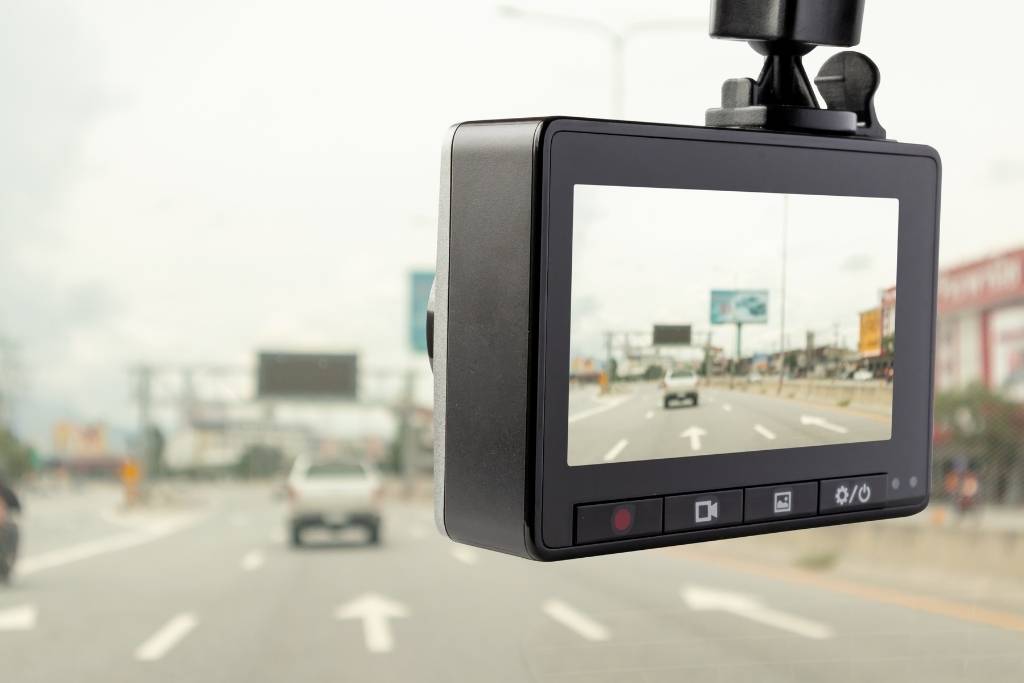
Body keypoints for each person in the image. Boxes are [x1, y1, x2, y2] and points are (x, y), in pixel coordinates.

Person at [0, 474, 21, 584]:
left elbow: (17, 507)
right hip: (6, 525)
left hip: (6, 526)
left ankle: (8, 562)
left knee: (13, 532)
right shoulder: (6, 490)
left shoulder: (6, 492)